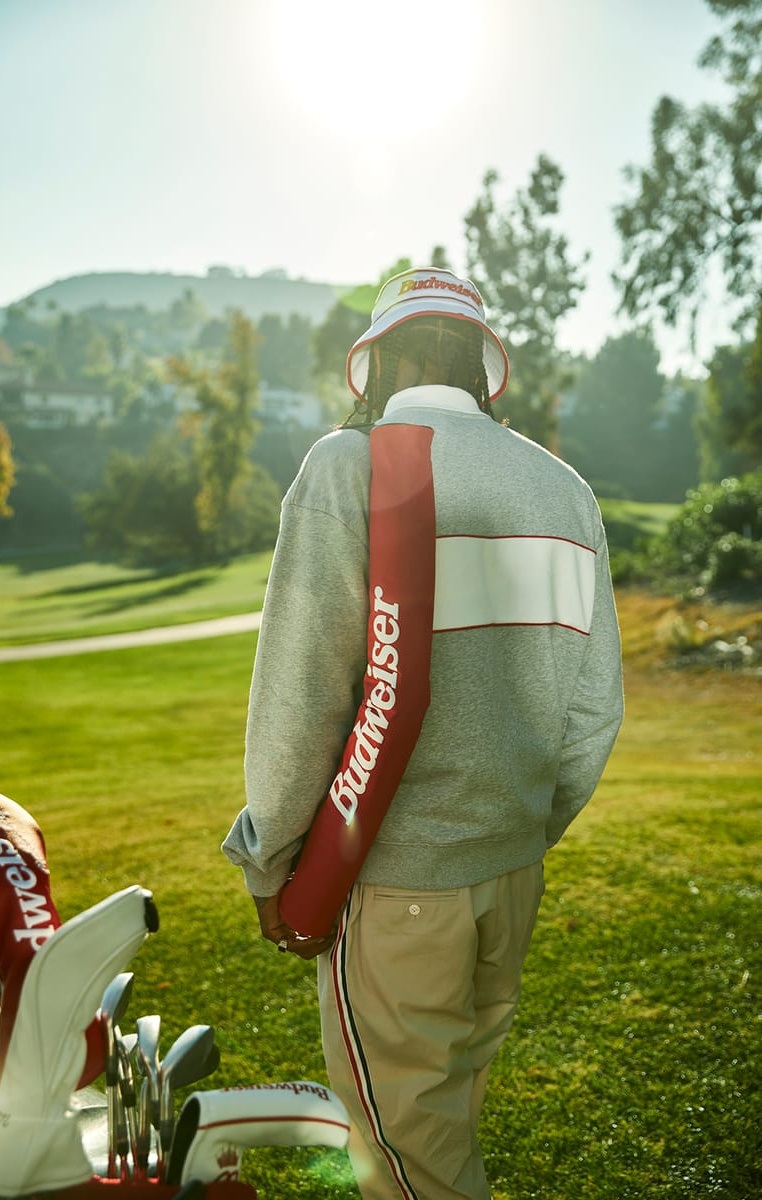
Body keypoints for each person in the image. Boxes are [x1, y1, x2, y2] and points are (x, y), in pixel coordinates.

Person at [222, 266, 624, 1200]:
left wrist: (270, 859)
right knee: (446, 1126)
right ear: (485, 369)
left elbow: (302, 694)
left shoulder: (349, 465)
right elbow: (592, 714)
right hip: (510, 880)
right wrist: (518, 829)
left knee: (407, 1162)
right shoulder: (566, 492)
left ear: (378, 365)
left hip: (395, 883)